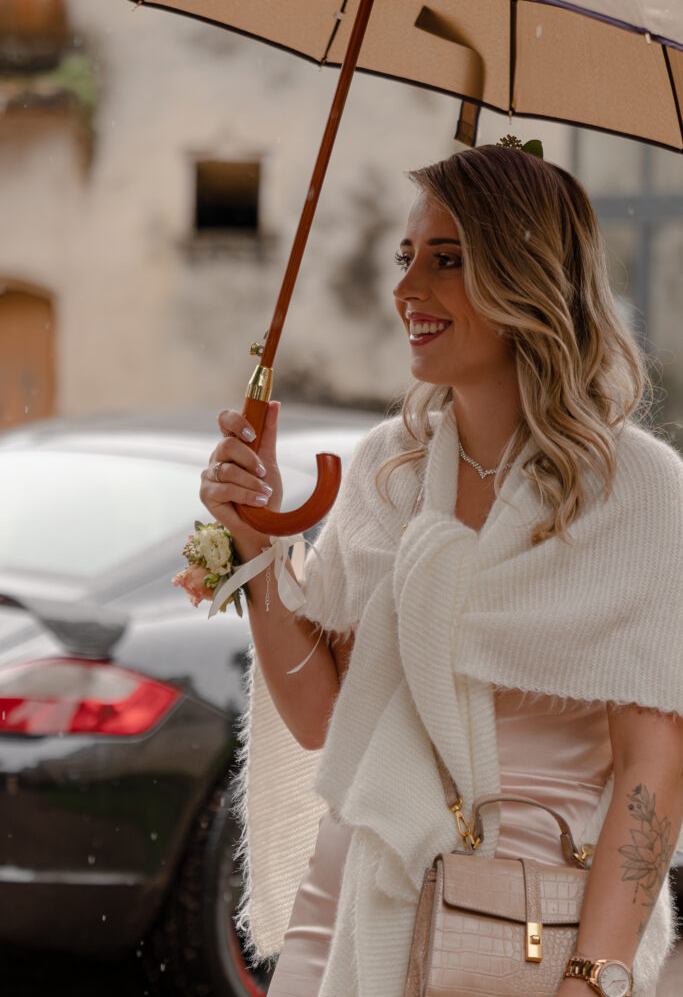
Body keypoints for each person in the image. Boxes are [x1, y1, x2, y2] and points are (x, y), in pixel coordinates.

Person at [199, 143, 683, 997]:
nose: (406, 290)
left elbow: (651, 765)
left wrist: (595, 975)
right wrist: (254, 547)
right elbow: (320, 717)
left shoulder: (638, 494)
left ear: (526, 278)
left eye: (447, 260)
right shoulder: (389, 471)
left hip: (535, 929)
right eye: (406, 257)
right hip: (355, 907)